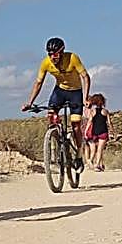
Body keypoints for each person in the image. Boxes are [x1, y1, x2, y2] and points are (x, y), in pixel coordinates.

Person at [21, 37, 90, 168]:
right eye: (50, 54)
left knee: (75, 125)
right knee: (51, 115)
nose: (53, 57)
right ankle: (53, 148)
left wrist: (85, 98)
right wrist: (30, 102)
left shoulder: (72, 58)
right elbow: (38, 83)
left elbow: (85, 77)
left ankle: (79, 155)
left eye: (56, 54)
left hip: (76, 92)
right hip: (60, 91)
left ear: (62, 52)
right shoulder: (46, 63)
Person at [84, 92, 111, 171]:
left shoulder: (93, 111)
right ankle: (97, 165)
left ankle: (96, 163)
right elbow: (109, 123)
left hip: (95, 132)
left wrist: (86, 131)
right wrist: (112, 131)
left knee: (95, 149)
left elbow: (90, 122)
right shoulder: (105, 111)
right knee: (100, 149)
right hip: (103, 132)